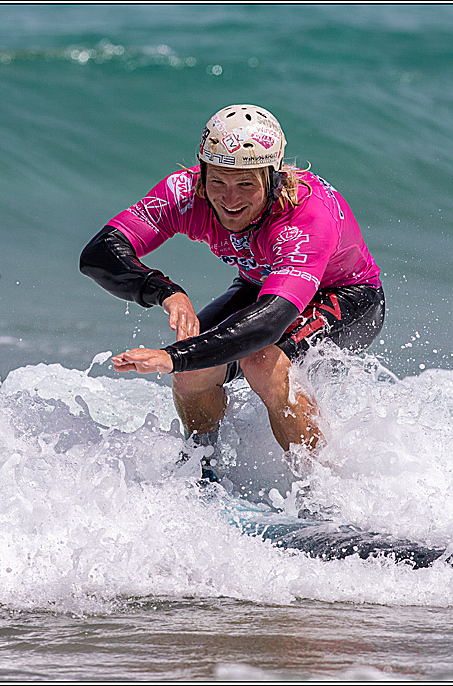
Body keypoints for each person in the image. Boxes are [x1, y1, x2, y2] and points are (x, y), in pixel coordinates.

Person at [79, 104, 384, 480]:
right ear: (202, 172)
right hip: (261, 285)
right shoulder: (186, 193)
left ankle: (323, 494)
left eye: (246, 185)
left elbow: (267, 325)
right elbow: (100, 254)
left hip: (349, 297)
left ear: (272, 180)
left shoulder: (305, 215)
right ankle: (205, 474)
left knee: (259, 360)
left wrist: (173, 356)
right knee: (193, 373)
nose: (230, 199)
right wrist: (165, 291)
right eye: (218, 182)